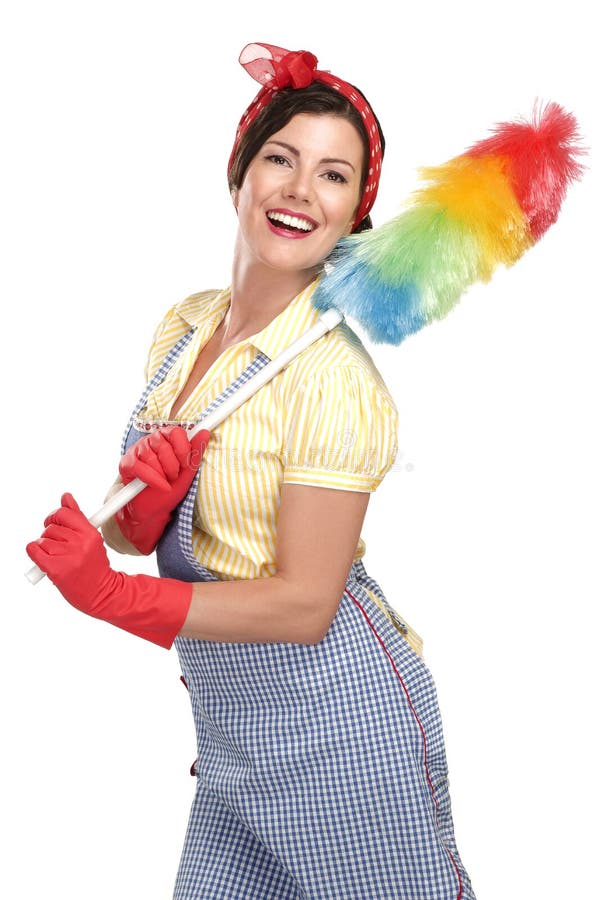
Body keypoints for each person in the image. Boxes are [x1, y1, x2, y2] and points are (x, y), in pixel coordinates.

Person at [27, 42, 476, 900]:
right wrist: (143, 519)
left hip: (344, 735)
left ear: (357, 213)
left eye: (334, 176)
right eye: (281, 158)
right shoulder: (186, 327)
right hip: (235, 732)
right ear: (240, 172)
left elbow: (306, 605)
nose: (301, 191)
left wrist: (115, 597)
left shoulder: (332, 377)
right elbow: (138, 530)